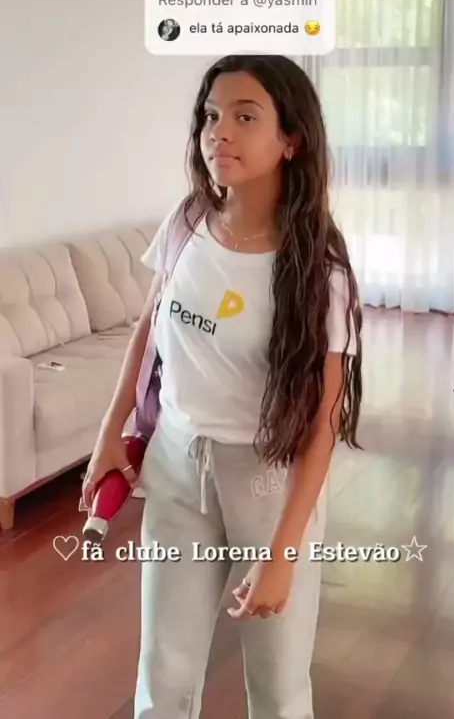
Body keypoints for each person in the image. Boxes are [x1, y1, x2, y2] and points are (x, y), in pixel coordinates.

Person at [82, 53, 363, 719]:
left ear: (290, 139)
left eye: (245, 116)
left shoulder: (320, 270)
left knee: (278, 684)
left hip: (269, 482)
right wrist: (109, 436)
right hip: (177, 467)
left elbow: (323, 422)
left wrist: (284, 553)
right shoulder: (186, 223)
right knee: (164, 672)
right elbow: (148, 332)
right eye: (211, 116)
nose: (220, 133)